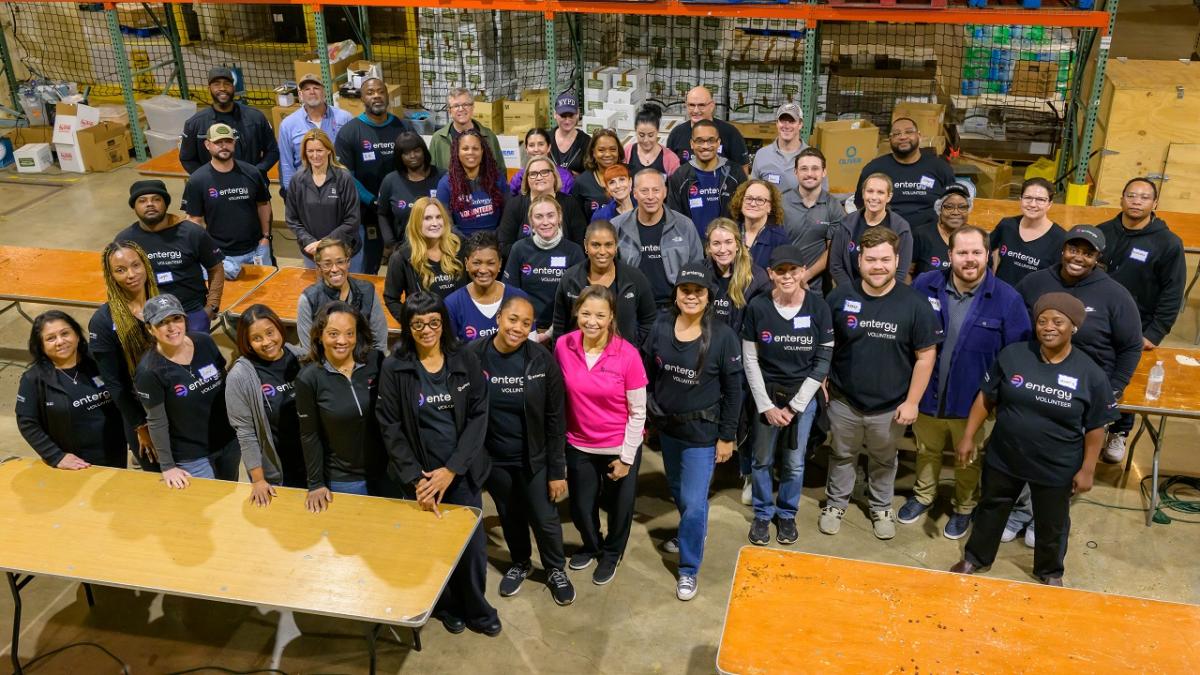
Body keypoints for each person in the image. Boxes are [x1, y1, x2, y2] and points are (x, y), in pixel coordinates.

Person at [950, 293, 1118, 586]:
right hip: (1005, 456)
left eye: (1058, 321)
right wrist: (968, 435)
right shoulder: (1013, 355)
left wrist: (1088, 468)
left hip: (1056, 466)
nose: (1048, 327)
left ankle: (1050, 571)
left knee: (1051, 522)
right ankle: (975, 556)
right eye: (1042, 321)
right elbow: (985, 398)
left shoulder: (1090, 374)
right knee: (991, 507)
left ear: (1073, 327)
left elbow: (1096, 427)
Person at [377, 292, 502, 636]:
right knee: (430, 547)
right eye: (417, 324)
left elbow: (479, 414)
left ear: (443, 323)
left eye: (434, 322)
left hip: (460, 473)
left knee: (471, 547)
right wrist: (417, 478)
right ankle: (446, 606)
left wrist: (452, 469)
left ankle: (477, 608)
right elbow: (389, 424)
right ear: (408, 327)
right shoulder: (396, 366)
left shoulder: (463, 358)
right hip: (419, 476)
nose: (427, 330)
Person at [903, 226, 1032, 538]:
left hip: (974, 402)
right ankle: (923, 495)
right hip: (928, 396)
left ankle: (964, 506)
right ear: (950, 255)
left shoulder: (1007, 299)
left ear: (988, 255)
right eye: (962, 252)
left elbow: (1016, 356)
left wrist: (998, 402)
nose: (970, 259)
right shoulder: (925, 285)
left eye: (977, 252)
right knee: (926, 450)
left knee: (968, 459)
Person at [821, 228, 942, 539]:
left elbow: (926, 356)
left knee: (883, 459)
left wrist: (912, 401)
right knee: (842, 454)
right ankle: (836, 502)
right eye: (871, 259)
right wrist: (821, 378)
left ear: (897, 260)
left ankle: (880, 505)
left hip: (890, 406)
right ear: (859, 260)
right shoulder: (839, 298)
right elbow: (824, 345)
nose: (878, 266)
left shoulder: (915, 304)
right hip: (844, 399)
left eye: (885, 259)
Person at [464, 296, 576, 606]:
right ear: (499, 317)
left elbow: (556, 419)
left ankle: (555, 569)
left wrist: (557, 470)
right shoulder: (474, 356)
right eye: (513, 319)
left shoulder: (542, 360)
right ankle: (520, 562)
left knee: (544, 517)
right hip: (494, 459)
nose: (518, 328)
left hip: (534, 458)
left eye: (526, 323)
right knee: (509, 514)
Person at [643, 263, 742, 600]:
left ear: (708, 296)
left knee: (694, 501)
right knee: (678, 492)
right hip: (667, 431)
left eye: (698, 291)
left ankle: (687, 568)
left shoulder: (724, 337)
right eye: (685, 290)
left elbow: (734, 391)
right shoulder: (660, 327)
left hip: (702, 433)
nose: (691, 296)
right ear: (676, 293)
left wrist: (726, 437)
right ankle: (692, 533)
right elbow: (645, 372)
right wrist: (648, 408)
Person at [739, 246, 834, 546]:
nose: (788, 276)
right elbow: (750, 359)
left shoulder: (818, 308)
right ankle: (763, 514)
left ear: (803, 271)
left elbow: (822, 361)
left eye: (794, 270)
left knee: (794, 462)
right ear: (770, 274)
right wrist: (766, 406)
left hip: (801, 400)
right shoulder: (758, 307)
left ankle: (787, 513)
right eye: (781, 270)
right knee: (762, 459)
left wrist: (795, 406)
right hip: (766, 397)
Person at [555, 285, 648, 586]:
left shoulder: (628, 355)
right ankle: (592, 545)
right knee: (581, 508)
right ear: (576, 313)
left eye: (599, 315)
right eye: (585, 313)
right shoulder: (563, 346)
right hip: (579, 443)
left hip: (617, 445)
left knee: (620, 511)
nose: (591, 321)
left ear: (611, 318)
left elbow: (637, 412)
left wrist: (626, 457)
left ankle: (611, 554)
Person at [1096, 177, 1187, 463]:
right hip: (1096, 321)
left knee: (1125, 379)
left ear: (1155, 204)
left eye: (1144, 197)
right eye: (1131, 195)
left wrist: (1155, 332)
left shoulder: (1168, 243)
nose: (1136, 201)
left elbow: (1173, 292)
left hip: (1136, 327)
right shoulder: (1102, 233)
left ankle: (1119, 432)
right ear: (1121, 199)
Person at [134, 294, 238, 488]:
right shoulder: (149, 371)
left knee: (231, 495)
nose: (172, 328)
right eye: (162, 323)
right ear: (150, 329)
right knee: (207, 502)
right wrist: (167, 467)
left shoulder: (204, 342)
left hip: (227, 441)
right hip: (192, 456)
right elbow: (156, 421)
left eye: (176, 319)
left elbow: (225, 386)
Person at [296, 301, 388, 508]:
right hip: (345, 479)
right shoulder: (308, 379)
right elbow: (309, 435)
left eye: (349, 333)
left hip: (387, 472)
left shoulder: (376, 361)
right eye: (333, 333)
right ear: (320, 336)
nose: (342, 341)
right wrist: (316, 483)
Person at [17, 310, 126, 469]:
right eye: (50, 338)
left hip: (116, 454)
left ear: (77, 334)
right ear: (40, 345)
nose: (60, 341)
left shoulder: (99, 361)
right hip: (73, 464)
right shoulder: (33, 379)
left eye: (65, 333)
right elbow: (27, 422)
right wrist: (55, 456)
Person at [225, 304, 308, 504]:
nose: (267, 342)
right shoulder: (240, 376)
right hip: (280, 467)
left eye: (270, 333)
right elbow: (245, 432)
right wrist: (258, 479)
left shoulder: (300, 358)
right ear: (247, 342)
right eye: (256, 338)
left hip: (312, 461)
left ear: (280, 328)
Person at [116, 180, 225, 333]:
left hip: (192, 311)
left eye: (156, 199)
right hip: (150, 314)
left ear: (166, 204)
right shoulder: (125, 241)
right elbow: (117, 278)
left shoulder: (193, 233)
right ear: (134, 207)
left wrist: (211, 306)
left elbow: (216, 268)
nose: (150, 204)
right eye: (142, 201)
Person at [90, 241, 161, 471]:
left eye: (135, 265)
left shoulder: (164, 303)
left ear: (145, 265)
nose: (131, 274)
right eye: (120, 270)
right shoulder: (103, 321)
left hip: (173, 403)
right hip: (140, 410)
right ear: (110, 276)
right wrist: (141, 426)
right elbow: (114, 384)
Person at [334, 77, 415, 274]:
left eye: (380, 91)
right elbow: (347, 176)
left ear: (387, 96)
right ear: (362, 98)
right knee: (368, 267)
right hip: (368, 212)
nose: (376, 96)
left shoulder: (403, 128)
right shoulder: (350, 132)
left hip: (402, 211)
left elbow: (416, 167)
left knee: (410, 264)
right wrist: (373, 201)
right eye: (370, 93)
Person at [181, 122, 273, 280]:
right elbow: (194, 220)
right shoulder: (197, 180)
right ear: (207, 144)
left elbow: (263, 205)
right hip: (221, 256)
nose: (224, 146)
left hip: (256, 250)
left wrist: (266, 238)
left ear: (234, 143)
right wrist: (205, 252)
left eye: (228, 141)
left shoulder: (252, 173)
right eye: (218, 142)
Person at [553, 220, 656, 344]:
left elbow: (649, 320)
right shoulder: (569, 279)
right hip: (578, 359)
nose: (602, 252)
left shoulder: (635, 278)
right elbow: (560, 326)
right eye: (595, 245)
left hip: (623, 361)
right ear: (586, 246)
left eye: (608, 245)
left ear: (616, 246)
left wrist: (633, 349)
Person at [613, 170, 704, 308]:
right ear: (634, 193)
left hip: (674, 308)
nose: (650, 197)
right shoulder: (616, 226)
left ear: (665, 192)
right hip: (632, 307)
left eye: (656, 190)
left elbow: (698, 267)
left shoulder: (685, 225)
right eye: (644, 191)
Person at [504, 195, 586, 341]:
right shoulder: (519, 249)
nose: (545, 222)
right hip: (526, 330)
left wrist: (551, 333)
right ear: (531, 221)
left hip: (564, 330)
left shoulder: (574, 251)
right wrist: (530, 331)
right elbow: (511, 295)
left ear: (559, 217)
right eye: (539, 217)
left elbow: (578, 299)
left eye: (550, 215)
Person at [853, 117, 955, 231]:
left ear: (919, 136)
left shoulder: (940, 168)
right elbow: (861, 204)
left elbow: (953, 205)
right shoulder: (874, 169)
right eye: (896, 134)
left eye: (909, 132)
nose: (903, 137)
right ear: (890, 139)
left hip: (930, 236)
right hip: (884, 236)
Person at [284, 129, 361, 271]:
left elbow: (352, 219)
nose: (315, 155)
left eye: (319, 150)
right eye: (310, 151)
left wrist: (323, 243)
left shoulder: (343, 178)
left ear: (329, 150)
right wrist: (311, 242)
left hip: (342, 251)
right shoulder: (297, 180)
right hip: (312, 253)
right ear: (304, 153)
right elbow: (292, 219)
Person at [179, 66, 278, 176]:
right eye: (216, 84)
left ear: (233, 87)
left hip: (253, 185)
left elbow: (272, 151)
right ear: (209, 89)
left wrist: (257, 172)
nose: (222, 88)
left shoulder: (256, 118)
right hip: (215, 189)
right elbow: (187, 159)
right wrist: (206, 179)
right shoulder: (195, 124)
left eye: (227, 83)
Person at [297, 238, 389, 353]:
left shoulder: (367, 291)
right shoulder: (308, 299)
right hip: (324, 366)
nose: (335, 269)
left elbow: (379, 342)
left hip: (363, 363)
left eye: (340, 262)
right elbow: (308, 351)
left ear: (348, 262)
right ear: (319, 267)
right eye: (327, 264)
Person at [383, 197, 466, 323]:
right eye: (427, 218)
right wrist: (413, 323)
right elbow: (391, 298)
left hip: (459, 327)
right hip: (427, 332)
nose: (435, 223)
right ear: (416, 222)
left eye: (439, 217)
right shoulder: (401, 258)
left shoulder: (459, 249)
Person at [829, 172, 914, 287]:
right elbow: (836, 266)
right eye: (870, 191)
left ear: (889, 197)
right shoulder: (846, 224)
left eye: (880, 192)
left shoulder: (901, 228)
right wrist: (850, 291)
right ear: (863, 193)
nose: (874, 197)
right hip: (851, 293)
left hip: (886, 296)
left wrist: (885, 293)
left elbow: (901, 271)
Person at [445, 232, 530, 342]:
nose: (483, 270)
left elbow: (530, 346)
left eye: (490, 263)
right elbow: (451, 351)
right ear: (466, 263)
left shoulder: (519, 298)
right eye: (476, 263)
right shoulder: (452, 304)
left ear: (499, 264)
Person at [667, 120, 747, 236]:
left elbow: (744, 214)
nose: (705, 146)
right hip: (693, 249)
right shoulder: (680, 175)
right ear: (692, 143)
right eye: (699, 141)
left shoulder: (735, 173)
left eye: (711, 140)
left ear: (718, 142)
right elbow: (674, 216)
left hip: (727, 248)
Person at [781, 148, 843, 295]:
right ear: (795, 172)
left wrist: (805, 276)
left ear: (824, 172)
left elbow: (832, 250)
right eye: (804, 169)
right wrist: (789, 277)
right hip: (782, 281)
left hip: (817, 289)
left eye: (815, 168)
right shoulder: (781, 202)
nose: (809, 174)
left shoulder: (833, 207)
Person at [277, 73, 352, 192]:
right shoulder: (288, 125)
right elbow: (286, 164)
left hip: (339, 186)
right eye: (307, 89)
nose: (312, 92)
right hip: (304, 189)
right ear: (301, 95)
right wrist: (290, 193)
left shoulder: (344, 118)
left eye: (316, 88)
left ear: (324, 92)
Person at [497, 156, 587, 256]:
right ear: (527, 179)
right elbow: (504, 245)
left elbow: (580, 244)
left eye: (545, 172)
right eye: (533, 174)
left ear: (554, 175)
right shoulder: (514, 205)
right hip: (525, 266)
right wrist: (536, 258)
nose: (539, 177)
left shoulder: (570, 203)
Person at [989, 178, 1066, 286]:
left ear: (1049, 204)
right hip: (1000, 295)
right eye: (1028, 198)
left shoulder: (1060, 238)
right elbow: (985, 250)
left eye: (1041, 200)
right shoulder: (1007, 225)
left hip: (1031, 301)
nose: (1033, 204)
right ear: (1020, 199)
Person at [378, 131, 445, 249]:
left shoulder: (443, 177)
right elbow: (382, 214)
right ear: (400, 157)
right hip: (405, 249)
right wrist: (390, 243)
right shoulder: (390, 181)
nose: (412, 156)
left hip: (440, 247)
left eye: (416, 151)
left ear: (424, 151)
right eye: (406, 153)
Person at [436, 129, 507, 236]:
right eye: (465, 149)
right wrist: (466, 245)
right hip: (461, 245)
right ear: (457, 152)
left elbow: (508, 216)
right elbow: (446, 223)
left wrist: (493, 240)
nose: (470, 152)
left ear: (482, 151)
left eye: (475, 148)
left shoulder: (497, 178)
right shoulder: (445, 184)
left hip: (495, 243)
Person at [705, 218, 770, 332]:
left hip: (739, 344)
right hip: (706, 342)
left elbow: (763, 318)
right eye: (716, 243)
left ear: (737, 245)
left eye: (728, 242)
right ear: (709, 248)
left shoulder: (757, 278)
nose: (723, 249)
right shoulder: (700, 272)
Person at [665, 86, 748, 171]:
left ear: (712, 106)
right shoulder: (677, 133)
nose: (696, 110)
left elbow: (742, 170)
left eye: (701, 105)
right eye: (691, 105)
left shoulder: (730, 133)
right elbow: (669, 169)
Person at [429, 87, 506, 174]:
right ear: (449, 111)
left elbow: (500, 171)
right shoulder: (438, 139)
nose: (461, 109)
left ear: (473, 107)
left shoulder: (488, 136)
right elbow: (431, 173)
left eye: (465, 104)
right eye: (456, 106)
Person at [912, 184, 972, 277]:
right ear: (939, 208)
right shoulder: (921, 235)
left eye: (962, 207)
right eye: (949, 207)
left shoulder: (977, 237)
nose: (955, 212)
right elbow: (908, 272)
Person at [750, 103, 809, 194]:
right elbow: (753, 191)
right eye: (783, 121)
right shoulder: (762, 155)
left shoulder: (811, 156)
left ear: (800, 124)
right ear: (777, 123)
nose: (786, 125)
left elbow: (821, 196)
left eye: (792, 121)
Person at [732, 179, 790, 269]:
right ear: (741, 202)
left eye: (760, 200)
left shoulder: (779, 238)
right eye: (749, 198)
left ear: (770, 207)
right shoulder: (730, 232)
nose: (753, 203)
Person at [571, 129, 625, 220]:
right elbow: (578, 219)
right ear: (593, 153)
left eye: (613, 149)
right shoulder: (581, 182)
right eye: (601, 150)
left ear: (618, 151)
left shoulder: (631, 174)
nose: (607, 154)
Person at [509, 128, 575, 195]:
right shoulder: (518, 177)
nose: (536, 149)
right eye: (531, 145)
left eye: (541, 144)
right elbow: (512, 200)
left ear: (549, 147)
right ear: (526, 149)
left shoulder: (565, 176)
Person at [624, 103, 681, 177]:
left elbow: (676, 186)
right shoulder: (628, 151)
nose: (646, 140)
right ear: (635, 131)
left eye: (651, 135)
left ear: (657, 131)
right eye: (641, 135)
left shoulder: (670, 159)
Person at [550, 92, 590, 175]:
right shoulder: (546, 139)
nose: (567, 121)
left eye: (571, 115)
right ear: (555, 114)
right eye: (563, 116)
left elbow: (590, 176)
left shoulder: (586, 142)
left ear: (578, 113)